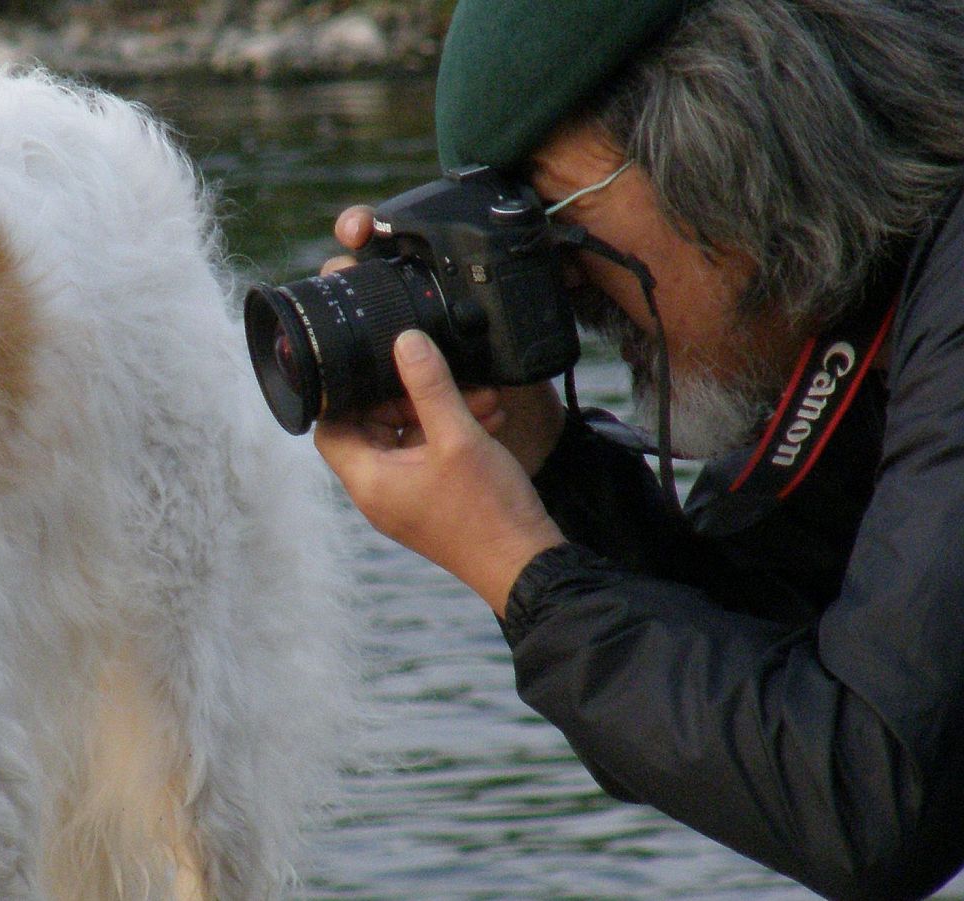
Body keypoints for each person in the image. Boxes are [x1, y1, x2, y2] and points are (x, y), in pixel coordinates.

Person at [312, 1, 964, 898]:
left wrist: (519, 568)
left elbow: (867, 796)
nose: (562, 285)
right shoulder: (888, 279)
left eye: (551, 222)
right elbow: (754, 652)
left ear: (730, 140)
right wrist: (548, 465)